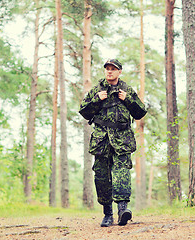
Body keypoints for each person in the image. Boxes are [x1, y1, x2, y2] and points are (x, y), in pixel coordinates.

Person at [79, 59, 147, 227]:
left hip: (122, 140)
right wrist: (96, 100)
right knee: (102, 177)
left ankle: (123, 211)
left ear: (119, 72)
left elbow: (140, 112)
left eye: (113, 69)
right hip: (101, 140)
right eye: (107, 69)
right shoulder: (97, 90)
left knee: (121, 174)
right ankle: (107, 214)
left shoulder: (127, 90)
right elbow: (84, 112)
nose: (109, 72)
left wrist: (128, 99)